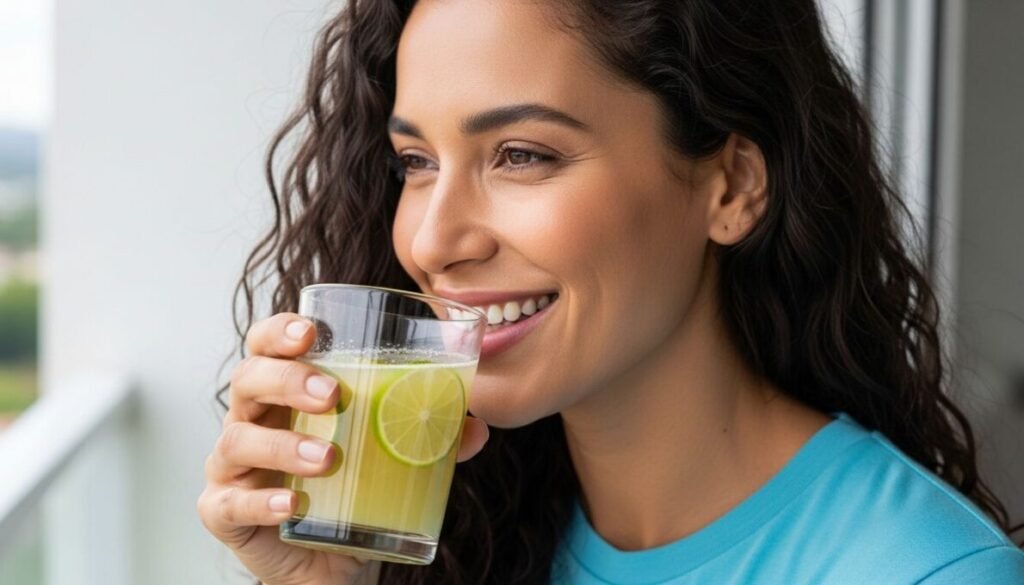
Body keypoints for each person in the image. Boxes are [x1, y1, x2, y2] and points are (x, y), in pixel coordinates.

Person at [197, 1, 1024, 583]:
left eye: (522, 154)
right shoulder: (472, 528)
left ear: (731, 186)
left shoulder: (926, 573)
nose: (432, 242)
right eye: (415, 163)